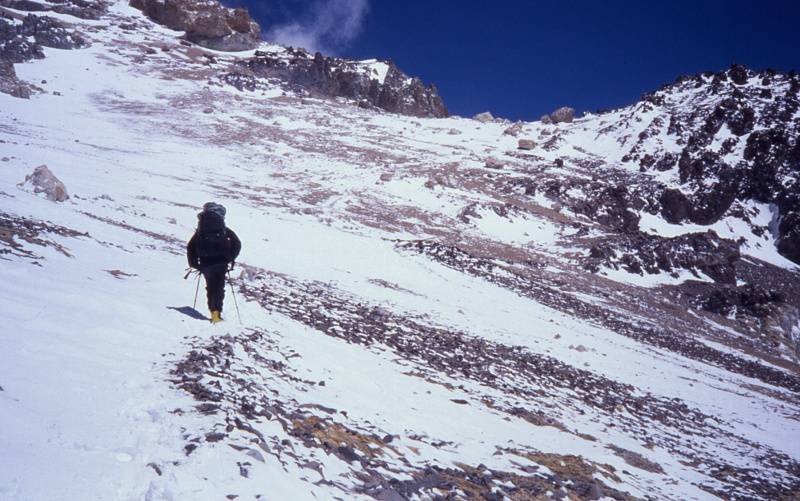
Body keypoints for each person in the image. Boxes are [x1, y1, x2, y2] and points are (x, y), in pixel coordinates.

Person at [187, 202, 241, 323]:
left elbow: (190, 247)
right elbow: (237, 243)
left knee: (211, 287)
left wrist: (194, 263)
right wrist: (230, 257)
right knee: (219, 288)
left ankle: (214, 313)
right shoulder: (224, 230)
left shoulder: (201, 231)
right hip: (221, 262)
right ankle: (216, 314)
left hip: (206, 263)